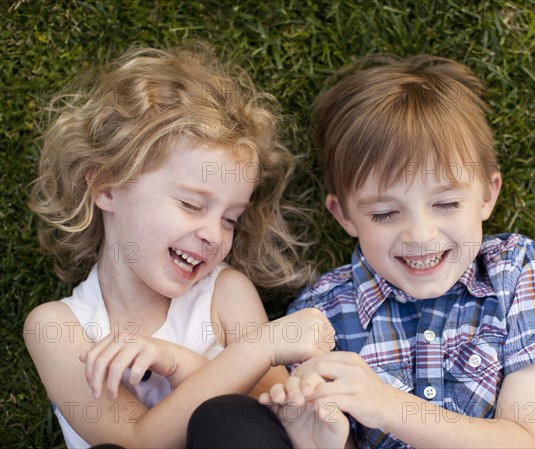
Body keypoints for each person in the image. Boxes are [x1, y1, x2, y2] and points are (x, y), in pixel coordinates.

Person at [259, 54, 535, 448]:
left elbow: (529, 441)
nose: (419, 234)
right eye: (384, 214)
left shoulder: (513, 271)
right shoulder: (319, 317)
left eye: (446, 204)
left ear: (487, 194)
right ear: (345, 215)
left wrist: (387, 405)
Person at [23, 44, 335, 449]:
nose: (214, 235)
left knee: (231, 420)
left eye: (230, 219)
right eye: (191, 204)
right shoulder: (58, 328)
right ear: (107, 186)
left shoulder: (224, 294)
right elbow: (136, 441)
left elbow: (280, 416)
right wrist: (261, 346)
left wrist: (178, 362)